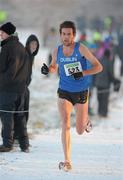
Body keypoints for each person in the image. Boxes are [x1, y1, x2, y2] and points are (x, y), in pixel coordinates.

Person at [41, 21, 103, 171]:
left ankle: (85, 121)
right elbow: (54, 67)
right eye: (64, 34)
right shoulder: (57, 51)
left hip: (81, 91)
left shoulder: (81, 48)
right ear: (60, 35)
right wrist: (48, 70)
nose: (66, 37)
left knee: (80, 131)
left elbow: (98, 66)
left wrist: (83, 73)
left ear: (73, 35)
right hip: (64, 91)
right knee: (65, 123)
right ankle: (67, 160)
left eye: (69, 34)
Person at [0, 22, 29, 152]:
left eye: (2, 32)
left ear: (9, 33)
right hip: (21, 89)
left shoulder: (7, 48)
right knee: (20, 115)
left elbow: (4, 69)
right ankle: (24, 144)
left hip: (8, 89)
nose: (0, 34)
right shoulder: (21, 47)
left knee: (7, 115)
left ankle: (7, 144)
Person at [14, 34, 40, 140]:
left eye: (36, 44)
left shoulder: (31, 56)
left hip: (25, 88)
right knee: (19, 113)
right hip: (18, 88)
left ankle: (19, 135)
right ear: (28, 44)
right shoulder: (24, 54)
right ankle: (16, 136)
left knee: (24, 113)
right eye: (32, 44)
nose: (34, 46)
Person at [94, 49, 121, 117]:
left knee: (99, 98)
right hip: (105, 84)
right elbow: (110, 74)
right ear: (108, 55)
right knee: (105, 99)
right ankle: (104, 113)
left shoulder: (99, 61)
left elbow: (94, 72)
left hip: (98, 83)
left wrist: (95, 81)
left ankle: (99, 112)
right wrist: (115, 81)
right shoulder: (109, 62)